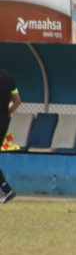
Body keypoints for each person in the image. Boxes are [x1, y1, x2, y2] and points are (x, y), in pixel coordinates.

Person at [0, 66, 21, 204]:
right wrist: (7, 113)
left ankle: (6, 189)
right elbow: (17, 101)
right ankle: (6, 189)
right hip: (3, 120)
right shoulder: (7, 76)